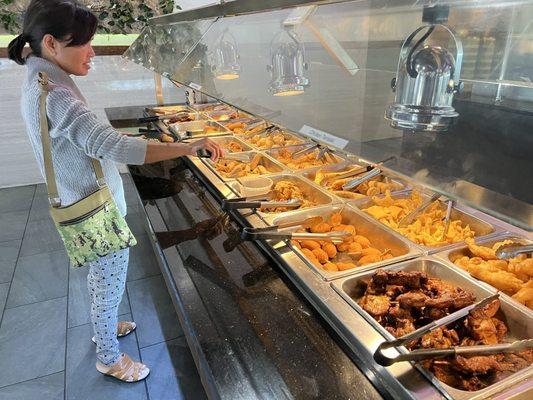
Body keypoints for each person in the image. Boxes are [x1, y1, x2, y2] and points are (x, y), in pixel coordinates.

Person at [8, 0, 223, 383]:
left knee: (101, 277)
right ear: (52, 44)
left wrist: (116, 139)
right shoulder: (56, 91)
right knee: (109, 282)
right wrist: (187, 147)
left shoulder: (40, 76)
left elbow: (90, 139)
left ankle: (102, 328)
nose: (92, 52)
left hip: (79, 199)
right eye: (85, 43)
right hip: (95, 209)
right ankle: (108, 357)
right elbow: (113, 147)